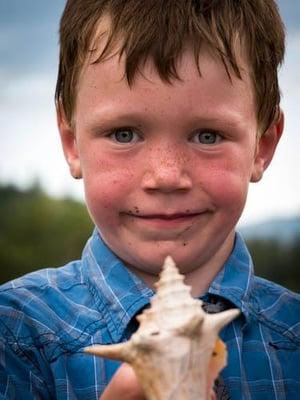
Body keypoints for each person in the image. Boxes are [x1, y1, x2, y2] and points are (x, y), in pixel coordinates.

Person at [0, 0, 299, 399]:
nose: (166, 177)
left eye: (207, 136)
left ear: (262, 146)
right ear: (72, 141)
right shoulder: (14, 334)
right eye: (124, 134)